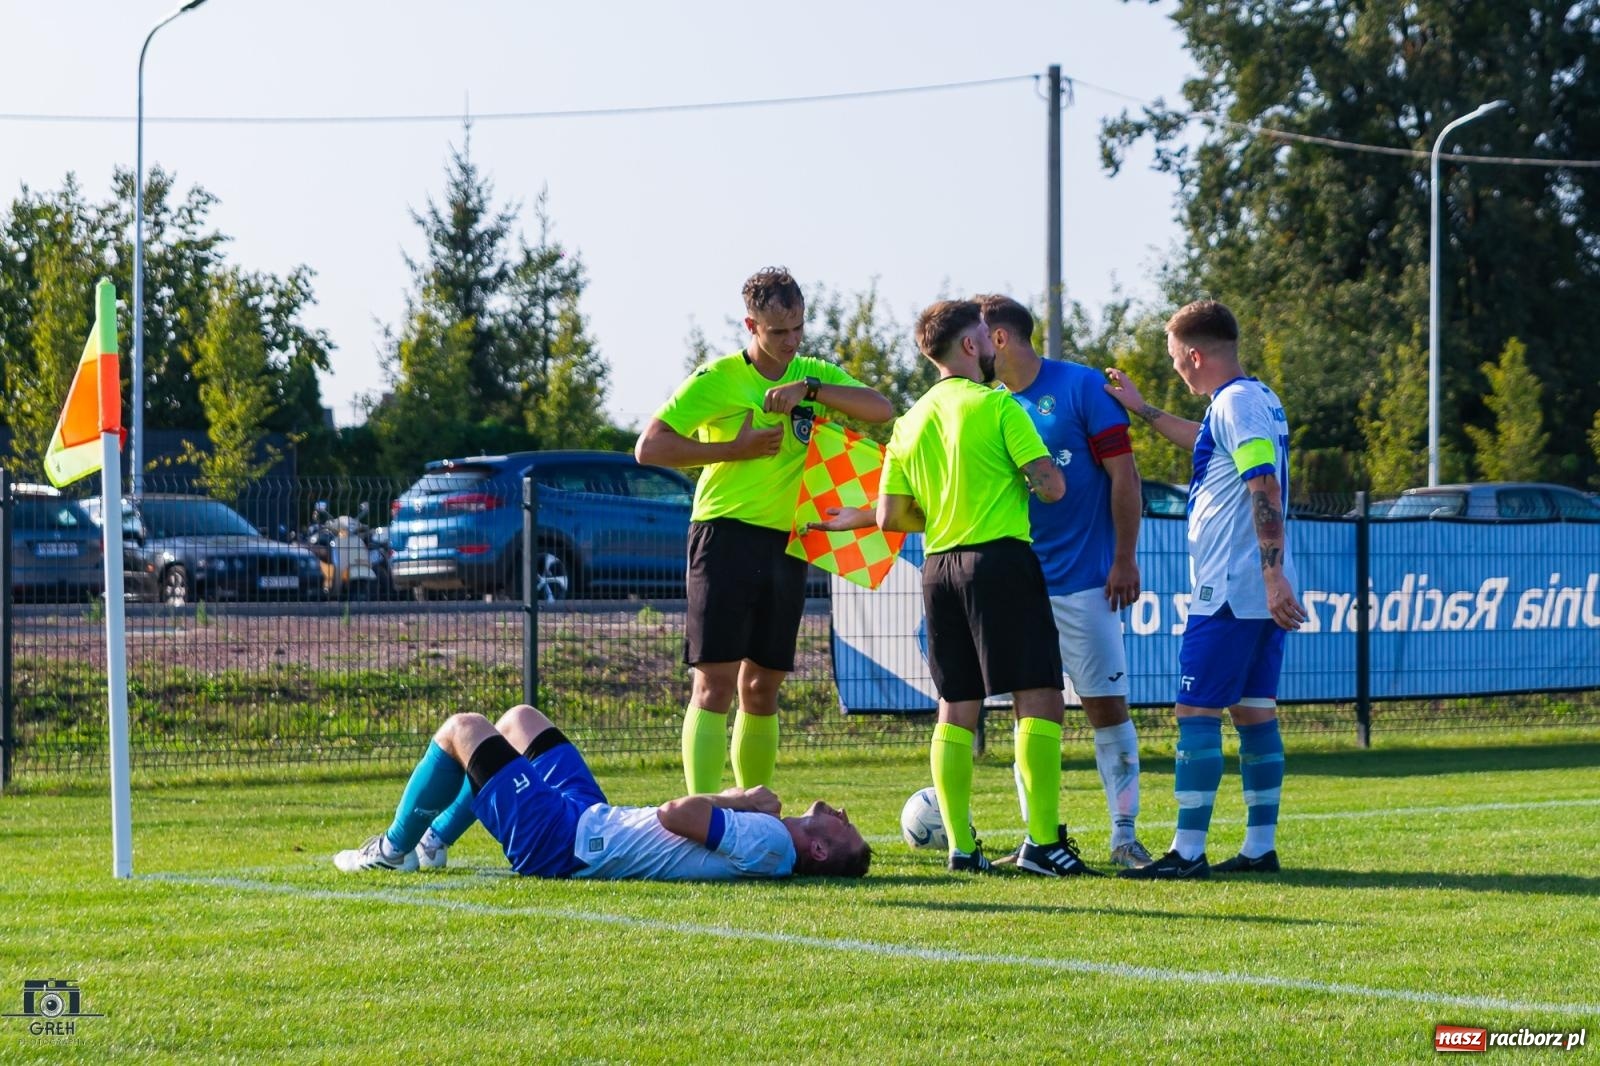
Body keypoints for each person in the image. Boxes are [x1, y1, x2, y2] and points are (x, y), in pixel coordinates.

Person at [813, 299, 1098, 877]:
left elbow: (892, 517)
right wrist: (1037, 476)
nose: (993, 348)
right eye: (985, 339)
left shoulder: (908, 422)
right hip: (1000, 561)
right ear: (970, 346)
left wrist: (938, 507)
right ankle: (1043, 844)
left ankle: (962, 847)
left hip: (939, 569)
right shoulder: (1000, 407)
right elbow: (1051, 487)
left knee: (956, 706)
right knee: (1039, 696)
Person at [634, 267, 893, 797]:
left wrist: (813, 388)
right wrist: (732, 449)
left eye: (799, 328)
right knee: (715, 683)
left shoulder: (810, 373)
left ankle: (755, 811)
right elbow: (649, 448)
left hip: (788, 544)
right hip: (724, 535)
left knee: (764, 685)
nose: (792, 341)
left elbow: (881, 411)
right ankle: (701, 813)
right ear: (751, 324)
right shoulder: (718, 379)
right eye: (779, 332)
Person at [1102, 299, 1306, 880]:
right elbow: (1206, 440)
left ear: (1194, 354)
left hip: (1233, 586)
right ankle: (1259, 847)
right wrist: (1142, 411)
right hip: (1250, 587)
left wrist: (1270, 574)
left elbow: (1262, 483)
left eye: (1174, 359)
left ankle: (1187, 853)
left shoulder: (1237, 403)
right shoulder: (1252, 398)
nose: (1175, 370)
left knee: (1195, 710)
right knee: (1254, 712)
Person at [978, 294, 1153, 871]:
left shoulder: (1080, 388)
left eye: (976, 336)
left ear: (998, 338)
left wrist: (1123, 557)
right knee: (1031, 714)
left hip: (1085, 582)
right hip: (1016, 582)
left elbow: (1124, 476)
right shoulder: (983, 403)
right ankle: (1040, 837)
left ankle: (1124, 836)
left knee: (1106, 706)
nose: (969, 348)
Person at [333, 703, 871, 881]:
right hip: (590, 819)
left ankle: (394, 850)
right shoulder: (773, 843)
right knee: (520, 719)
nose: (844, 811)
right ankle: (435, 843)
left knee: (463, 728)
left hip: (565, 845)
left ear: (819, 849)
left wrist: (739, 798)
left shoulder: (772, 846)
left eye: (846, 826)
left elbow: (675, 814)